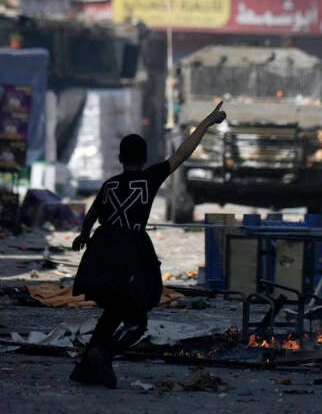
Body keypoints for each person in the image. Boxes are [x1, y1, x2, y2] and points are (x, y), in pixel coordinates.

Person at [69, 101, 226, 388]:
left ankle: (86, 364)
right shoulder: (149, 179)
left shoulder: (110, 185)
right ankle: (103, 354)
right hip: (129, 252)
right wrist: (206, 123)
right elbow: (182, 153)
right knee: (137, 320)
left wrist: (84, 235)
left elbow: (93, 212)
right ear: (145, 157)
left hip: (102, 251)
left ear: (120, 158)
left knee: (113, 309)